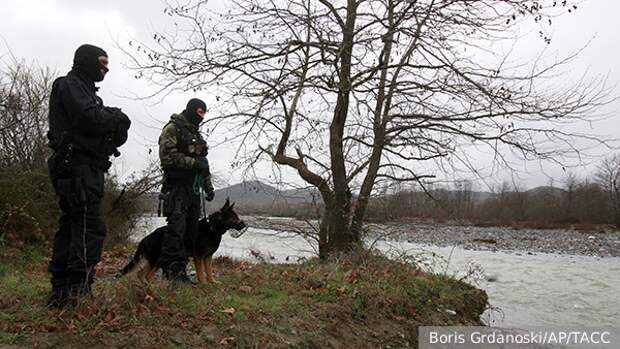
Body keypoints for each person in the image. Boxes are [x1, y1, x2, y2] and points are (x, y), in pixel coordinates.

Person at [46, 44, 131, 307]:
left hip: (87, 168)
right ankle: (76, 292)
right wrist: (116, 116)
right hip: (77, 168)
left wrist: (116, 124)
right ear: (86, 61)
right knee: (88, 228)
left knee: (73, 226)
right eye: (101, 63)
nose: (105, 69)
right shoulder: (69, 85)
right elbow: (90, 119)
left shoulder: (87, 92)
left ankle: (62, 292)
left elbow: (109, 131)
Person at [158, 98, 214, 284]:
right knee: (176, 230)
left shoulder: (197, 135)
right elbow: (167, 157)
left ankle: (180, 271)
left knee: (191, 233)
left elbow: (203, 165)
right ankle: (171, 272)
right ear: (191, 110)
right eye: (199, 112)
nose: (202, 117)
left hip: (193, 191)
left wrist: (208, 187)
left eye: (204, 113)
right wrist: (193, 163)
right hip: (176, 188)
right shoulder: (172, 129)